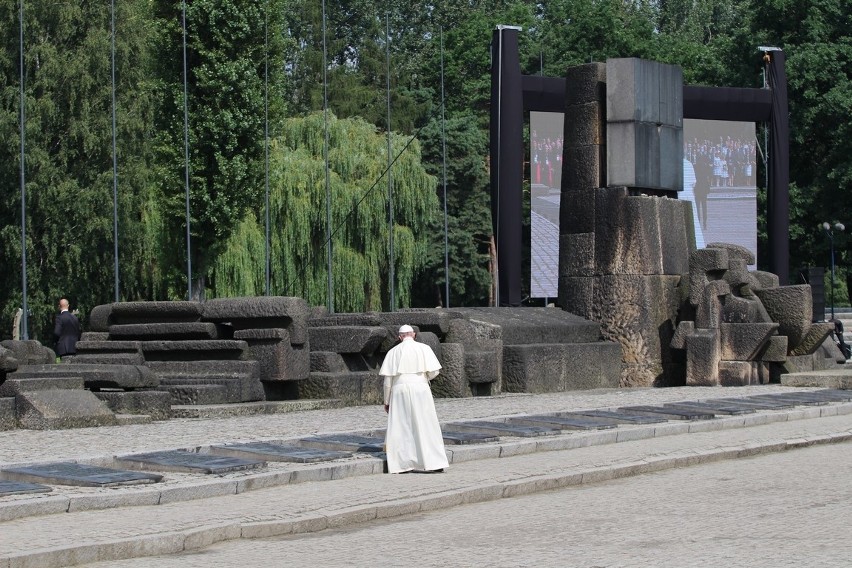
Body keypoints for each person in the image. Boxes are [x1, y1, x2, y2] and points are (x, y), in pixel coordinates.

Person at [380, 324, 449, 474]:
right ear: (414, 335)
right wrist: (424, 378)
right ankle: (434, 462)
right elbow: (434, 372)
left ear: (399, 337)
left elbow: (387, 381)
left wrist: (387, 401)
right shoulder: (424, 349)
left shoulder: (393, 352)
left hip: (399, 389)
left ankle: (402, 464)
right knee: (426, 424)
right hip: (421, 387)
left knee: (401, 425)